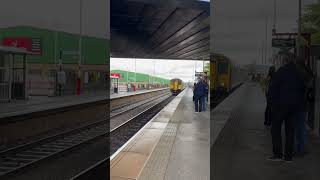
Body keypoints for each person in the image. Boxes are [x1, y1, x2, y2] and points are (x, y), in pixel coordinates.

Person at [268, 53, 305, 162]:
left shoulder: (281, 72)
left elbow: (272, 88)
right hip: (294, 107)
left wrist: (272, 103)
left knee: (275, 129)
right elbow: (303, 89)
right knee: (290, 131)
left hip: (280, 106)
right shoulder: (299, 73)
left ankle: (278, 155)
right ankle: (288, 157)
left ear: (284, 61)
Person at [294, 58, 314, 157]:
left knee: (299, 128)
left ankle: (300, 149)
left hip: (299, 105)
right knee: (301, 127)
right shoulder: (308, 74)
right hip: (303, 104)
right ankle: (301, 148)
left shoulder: (300, 75)